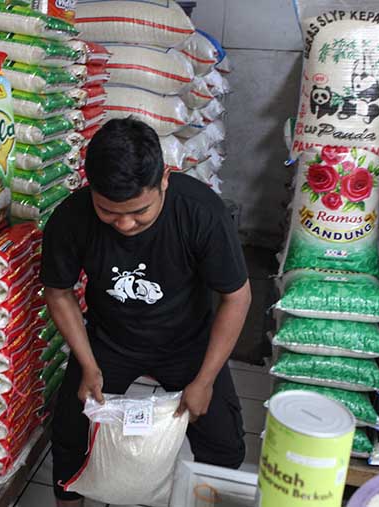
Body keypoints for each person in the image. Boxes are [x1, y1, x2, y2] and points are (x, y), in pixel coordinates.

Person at [40, 118, 252, 506]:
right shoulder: (71, 218)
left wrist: (204, 379)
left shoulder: (200, 212)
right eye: (108, 211)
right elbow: (58, 291)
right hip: (110, 339)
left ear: (165, 181)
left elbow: (236, 297)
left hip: (188, 341)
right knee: (71, 432)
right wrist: (87, 363)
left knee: (223, 442)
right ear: (90, 189)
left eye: (139, 212)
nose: (124, 224)